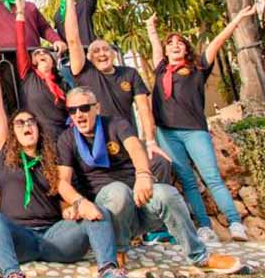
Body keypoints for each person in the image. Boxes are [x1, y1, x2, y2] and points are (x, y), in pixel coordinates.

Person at [56, 86, 241, 274]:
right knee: (118, 191)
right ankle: (117, 250)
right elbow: (63, 181)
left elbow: (136, 148)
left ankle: (199, 256)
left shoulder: (115, 124)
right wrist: (79, 202)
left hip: (138, 200)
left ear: (97, 108)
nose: (78, 114)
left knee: (168, 193)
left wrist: (143, 174)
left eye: (84, 108)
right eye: (72, 110)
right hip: (108, 212)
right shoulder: (67, 139)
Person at [0, 45, 126, 278]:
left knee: (97, 211)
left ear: (38, 128)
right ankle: (12, 273)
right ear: (12, 132)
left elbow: (65, 194)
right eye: (20, 123)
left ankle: (108, 269)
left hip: (56, 236)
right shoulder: (4, 155)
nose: (27, 126)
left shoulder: (52, 157)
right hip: (22, 238)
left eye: (31, 122)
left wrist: (72, 208)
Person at [145, 6, 258, 243]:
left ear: (186, 49)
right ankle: (204, 226)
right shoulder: (161, 69)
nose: (175, 45)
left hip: (195, 131)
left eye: (180, 43)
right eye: (170, 43)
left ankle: (235, 223)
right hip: (167, 133)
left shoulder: (198, 68)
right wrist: (151, 29)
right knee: (188, 181)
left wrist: (237, 19)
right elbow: (155, 45)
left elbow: (217, 41)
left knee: (212, 178)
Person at [64, 0, 172, 178]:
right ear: (89, 57)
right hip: (98, 146)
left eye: (105, 49)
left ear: (113, 54)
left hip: (128, 141)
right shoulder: (85, 72)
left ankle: (159, 204)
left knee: (160, 163)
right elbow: (72, 39)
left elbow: (144, 110)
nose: (101, 53)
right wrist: (70, 0)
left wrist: (150, 142)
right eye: (95, 50)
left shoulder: (129, 74)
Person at [14, 0, 69, 138]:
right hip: (42, 137)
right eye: (36, 54)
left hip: (65, 135)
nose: (41, 54)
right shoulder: (28, 76)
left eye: (45, 52)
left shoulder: (62, 82)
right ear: (32, 62)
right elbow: (20, 43)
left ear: (53, 60)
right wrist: (20, 13)